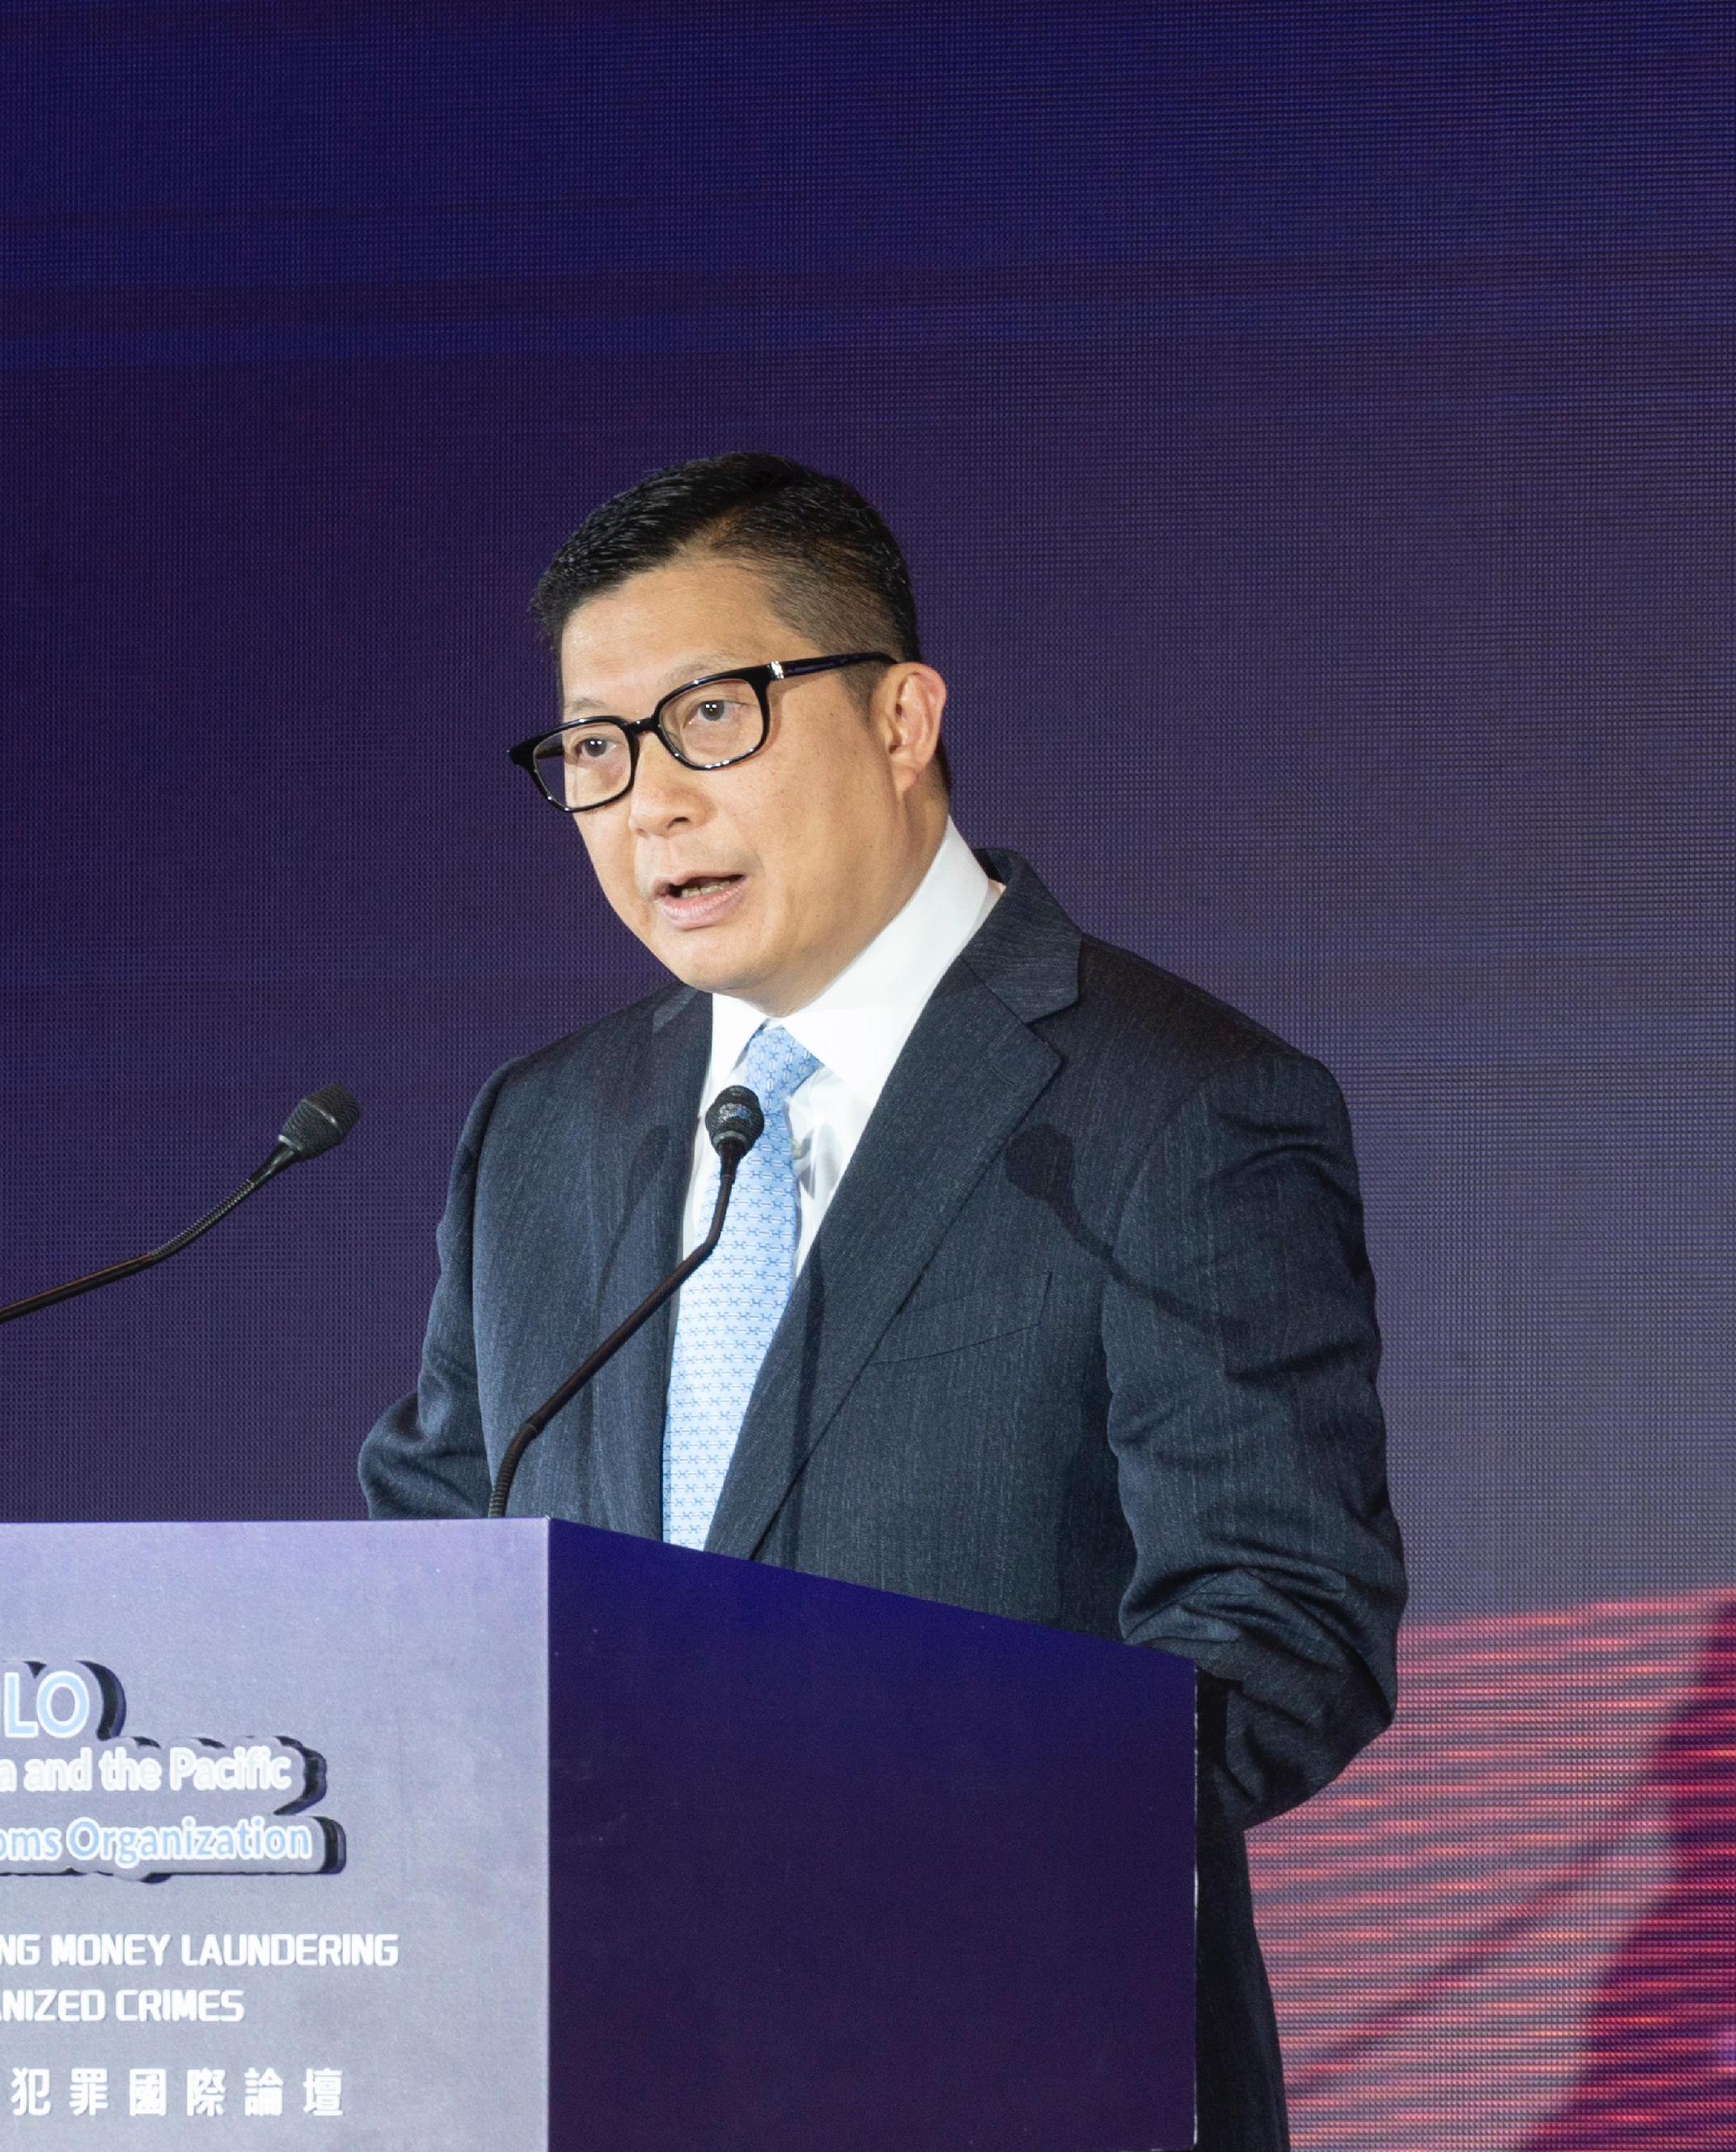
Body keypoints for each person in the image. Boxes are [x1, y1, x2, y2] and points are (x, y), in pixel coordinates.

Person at [361, 451, 1406, 2148]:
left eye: (708, 718)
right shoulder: (536, 1132)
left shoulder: (1170, 1106)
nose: (646, 804)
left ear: (901, 717)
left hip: (1002, 2065)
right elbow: (432, 1542)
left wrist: (913, 1826)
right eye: (592, 750)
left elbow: (1284, 1627)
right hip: (581, 2067)